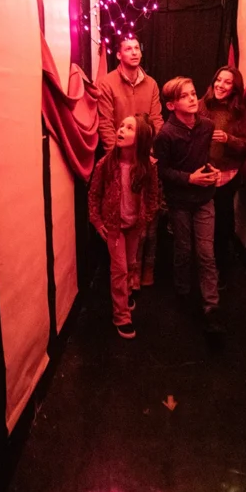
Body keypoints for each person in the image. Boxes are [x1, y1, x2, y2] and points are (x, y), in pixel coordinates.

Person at [153, 77, 224, 334]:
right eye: (185, 96)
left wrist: (210, 170)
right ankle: (182, 293)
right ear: (171, 105)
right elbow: (162, 171)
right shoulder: (166, 135)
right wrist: (188, 178)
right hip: (180, 201)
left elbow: (203, 158)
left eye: (193, 93)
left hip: (204, 198)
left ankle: (211, 307)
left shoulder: (206, 126)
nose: (193, 98)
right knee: (183, 249)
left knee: (206, 253)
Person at [96, 36, 164, 289]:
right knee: (124, 217)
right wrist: (116, 155)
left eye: (137, 47)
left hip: (147, 160)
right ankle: (127, 274)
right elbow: (105, 123)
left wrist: (153, 154)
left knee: (148, 217)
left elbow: (157, 121)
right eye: (128, 48)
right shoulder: (107, 83)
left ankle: (146, 268)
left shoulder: (152, 84)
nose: (134, 52)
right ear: (119, 54)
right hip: (120, 159)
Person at [88, 114, 160, 339]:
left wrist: (145, 218)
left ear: (140, 139)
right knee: (119, 270)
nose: (121, 130)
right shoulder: (106, 163)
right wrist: (97, 221)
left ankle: (127, 292)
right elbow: (94, 194)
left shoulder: (148, 167)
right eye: (121, 126)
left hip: (134, 226)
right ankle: (121, 316)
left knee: (130, 264)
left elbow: (152, 196)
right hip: (114, 227)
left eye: (129, 128)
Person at [199, 66, 246, 287]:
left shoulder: (239, 111)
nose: (221, 85)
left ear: (234, 87)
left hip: (227, 174)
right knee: (201, 222)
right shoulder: (202, 105)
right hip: (203, 171)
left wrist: (228, 138)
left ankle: (220, 269)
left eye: (227, 82)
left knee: (223, 222)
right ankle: (202, 267)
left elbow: (245, 145)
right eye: (218, 80)